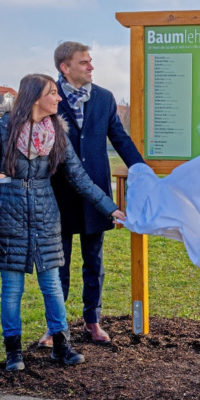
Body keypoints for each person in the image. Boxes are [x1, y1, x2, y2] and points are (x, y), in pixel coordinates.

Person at [0, 74, 126, 371]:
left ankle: (61, 345)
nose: (58, 98)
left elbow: (79, 177)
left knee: (52, 285)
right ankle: (14, 352)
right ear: (34, 98)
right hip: (10, 215)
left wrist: (111, 209)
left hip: (46, 215)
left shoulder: (56, 131)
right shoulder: (4, 128)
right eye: (52, 93)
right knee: (12, 288)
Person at [37, 42, 145, 348]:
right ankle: (54, 327)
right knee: (59, 264)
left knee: (94, 262)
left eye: (90, 61)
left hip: (96, 192)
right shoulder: (49, 98)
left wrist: (142, 170)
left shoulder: (105, 98)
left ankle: (92, 321)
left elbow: (120, 139)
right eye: (84, 62)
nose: (91, 66)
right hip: (58, 195)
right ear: (64, 67)